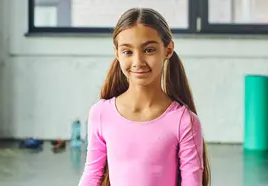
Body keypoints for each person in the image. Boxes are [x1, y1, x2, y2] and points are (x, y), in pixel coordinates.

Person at [78, 8, 211, 186]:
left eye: (149, 50)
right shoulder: (100, 113)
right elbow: (92, 176)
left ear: (168, 50)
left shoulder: (184, 121)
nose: (138, 62)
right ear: (117, 53)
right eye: (128, 52)